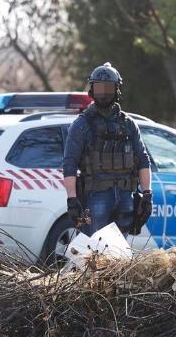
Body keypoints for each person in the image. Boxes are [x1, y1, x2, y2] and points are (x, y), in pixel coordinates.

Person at [62, 62, 153, 237]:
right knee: (94, 250)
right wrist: (72, 199)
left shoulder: (128, 123)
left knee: (120, 254)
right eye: (99, 88)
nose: (103, 93)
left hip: (126, 197)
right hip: (95, 196)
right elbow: (69, 163)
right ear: (92, 91)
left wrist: (147, 193)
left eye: (108, 88)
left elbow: (143, 159)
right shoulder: (82, 125)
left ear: (116, 90)